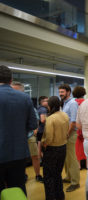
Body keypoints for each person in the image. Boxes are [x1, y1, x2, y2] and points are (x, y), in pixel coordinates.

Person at [0, 65, 37, 195]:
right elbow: (33, 124)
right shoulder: (25, 98)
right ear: (11, 80)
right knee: (18, 190)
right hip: (18, 153)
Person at [11, 81, 43, 183]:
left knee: (35, 156)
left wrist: (35, 130)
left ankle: (38, 175)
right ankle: (23, 175)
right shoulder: (9, 104)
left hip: (29, 136)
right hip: (16, 137)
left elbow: (36, 120)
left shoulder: (28, 104)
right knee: (20, 158)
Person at [42, 96, 69, 200]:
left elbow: (48, 137)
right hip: (63, 148)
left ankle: (50, 197)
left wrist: (44, 144)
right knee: (58, 174)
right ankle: (60, 196)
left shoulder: (51, 118)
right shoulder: (64, 115)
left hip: (52, 150)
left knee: (48, 176)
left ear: (50, 105)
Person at [58, 84, 80, 192]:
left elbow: (74, 121)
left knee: (72, 159)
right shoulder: (64, 103)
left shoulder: (72, 103)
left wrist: (67, 134)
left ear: (68, 92)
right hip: (65, 134)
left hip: (71, 134)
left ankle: (75, 182)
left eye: (62, 92)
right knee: (66, 158)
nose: (60, 94)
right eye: (59, 92)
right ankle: (68, 177)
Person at [72, 86, 87, 169]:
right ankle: (87, 165)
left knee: (77, 148)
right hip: (85, 127)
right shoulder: (86, 102)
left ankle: (78, 165)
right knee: (86, 147)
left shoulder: (73, 103)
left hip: (75, 128)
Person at [37, 96, 48, 161]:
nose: (48, 102)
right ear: (42, 102)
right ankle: (43, 160)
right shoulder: (43, 109)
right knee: (41, 147)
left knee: (39, 146)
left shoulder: (39, 108)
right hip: (42, 131)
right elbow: (43, 120)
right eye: (46, 101)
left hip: (39, 130)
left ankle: (41, 160)